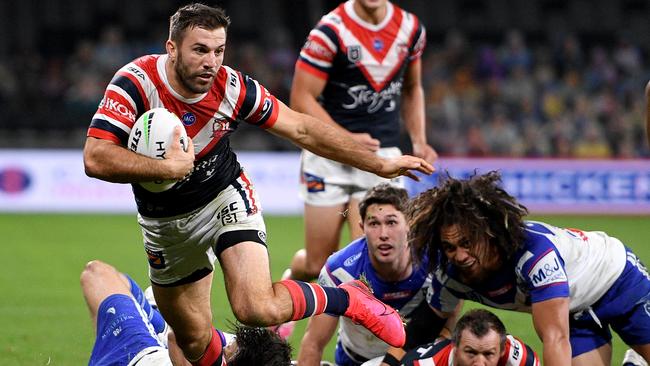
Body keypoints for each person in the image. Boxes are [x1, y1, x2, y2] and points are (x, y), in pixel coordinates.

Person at [83, 4, 434, 365]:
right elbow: (95, 157)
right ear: (171, 48)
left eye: (219, 51)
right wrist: (164, 168)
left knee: (255, 307)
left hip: (223, 198)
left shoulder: (232, 87)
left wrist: (377, 163)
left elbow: (300, 127)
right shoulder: (136, 83)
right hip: (164, 224)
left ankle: (350, 299)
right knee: (191, 341)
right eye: (200, 50)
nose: (212, 62)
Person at [396, 171, 650, 366]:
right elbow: (420, 330)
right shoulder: (451, 275)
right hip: (571, 311)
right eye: (449, 247)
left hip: (617, 280)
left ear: (487, 234)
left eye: (467, 243)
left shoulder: (533, 256)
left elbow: (554, 338)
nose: (460, 256)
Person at [285, 0, 438, 283]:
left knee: (372, 262)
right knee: (317, 264)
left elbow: (412, 87)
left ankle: (358, 327)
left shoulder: (411, 29)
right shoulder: (330, 32)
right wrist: (344, 139)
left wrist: (419, 140)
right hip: (327, 157)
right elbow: (300, 98)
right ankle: (292, 277)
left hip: (384, 159)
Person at [296, 184, 437, 365]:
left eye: (391, 222)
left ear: (410, 223)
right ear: (362, 227)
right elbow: (314, 343)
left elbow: (445, 330)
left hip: (411, 359)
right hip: (352, 360)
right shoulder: (340, 270)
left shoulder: (434, 261)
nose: (383, 234)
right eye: (374, 224)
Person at [80, 259, 292, 366]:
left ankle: (147, 322)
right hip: (159, 344)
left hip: (136, 357)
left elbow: (175, 338)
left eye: (228, 349)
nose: (224, 347)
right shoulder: (244, 355)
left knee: (96, 272)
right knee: (128, 286)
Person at [363, 309, 540, 366]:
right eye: (470, 352)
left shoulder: (521, 359)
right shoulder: (423, 364)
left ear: (501, 351)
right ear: (454, 347)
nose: (479, 363)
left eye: (488, 354)